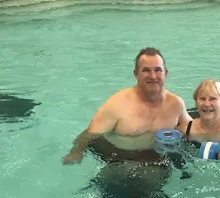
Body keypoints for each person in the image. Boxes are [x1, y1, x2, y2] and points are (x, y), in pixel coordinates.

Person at [63, 47, 192, 168]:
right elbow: (88, 135)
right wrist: (76, 152)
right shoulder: (117, 104)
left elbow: (192, 128)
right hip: (119, 158)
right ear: (136, 74)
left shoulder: (176, 104)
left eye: (158, 70)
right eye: (146, 70)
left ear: (166, 73)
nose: (153, 76)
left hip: (156, 159)